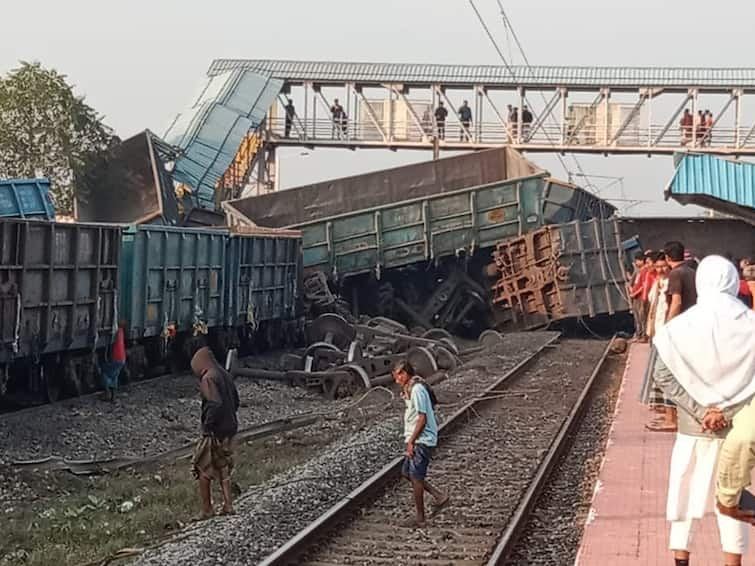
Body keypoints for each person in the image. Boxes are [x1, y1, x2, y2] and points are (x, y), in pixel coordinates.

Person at [652, 256, 755, 564]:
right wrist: (727, 410)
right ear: (734, 282)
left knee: (685, 493)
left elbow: (662, 375)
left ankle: (681, 559)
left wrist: (702, 410)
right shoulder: (751, 323)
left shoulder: (678, 328)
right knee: (733, 495)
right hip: (735, 432)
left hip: (691, 429)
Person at [393, 360, 448, 528]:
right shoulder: (411, 387)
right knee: (407, 473)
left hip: (422, 439)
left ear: (405, 373)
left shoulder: (417, 390)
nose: (397, 381)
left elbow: (422, 418)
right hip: (417, 438)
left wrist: (411, 442)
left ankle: (420, 518)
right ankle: (439, 496)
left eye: (398, 376)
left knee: (416, 477)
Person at [191, 346, 240, 519]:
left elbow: (214, 404)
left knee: (202, 467)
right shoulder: (225, 375)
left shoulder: (208, 379)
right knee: (223, 466)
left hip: (215, 430)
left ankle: (207, 509)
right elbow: (236, 400)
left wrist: (207, 427)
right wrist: (230, 418)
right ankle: (228, 505)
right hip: (231, 427)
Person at [641, 253, 676, 432]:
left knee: (664, 374)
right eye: (658, 266)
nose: (661, 269)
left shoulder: (670, 284)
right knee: (658, 374)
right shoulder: (658, 283)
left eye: (664, 266)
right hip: (657, 332)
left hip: (665, 333)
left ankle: (671, 418)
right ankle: (665, 412)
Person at [665, 241, 698, 320]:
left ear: (667, 257)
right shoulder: (692, 271)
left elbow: (677, 302)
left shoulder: (675, 273)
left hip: (682, 320)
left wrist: (668, 324)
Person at [99, 321, 126, 402]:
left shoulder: (117, 332)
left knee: (105, 373)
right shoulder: (121, 332)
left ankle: (107, 393)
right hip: (122, 359)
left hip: (116, 359)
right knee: (114, 376)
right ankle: (113, 397)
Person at [629, 256, 647, 340]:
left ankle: (643, 335)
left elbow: (643, 286)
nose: (636, 262)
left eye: (637, 260)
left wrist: (634, 293)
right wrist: (632, 291)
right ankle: (638, 334)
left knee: (641, 316)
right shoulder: (638, 271)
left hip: (640, 297)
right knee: (636, 316)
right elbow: (632, 283)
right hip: (635, 297)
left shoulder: (645, 272)